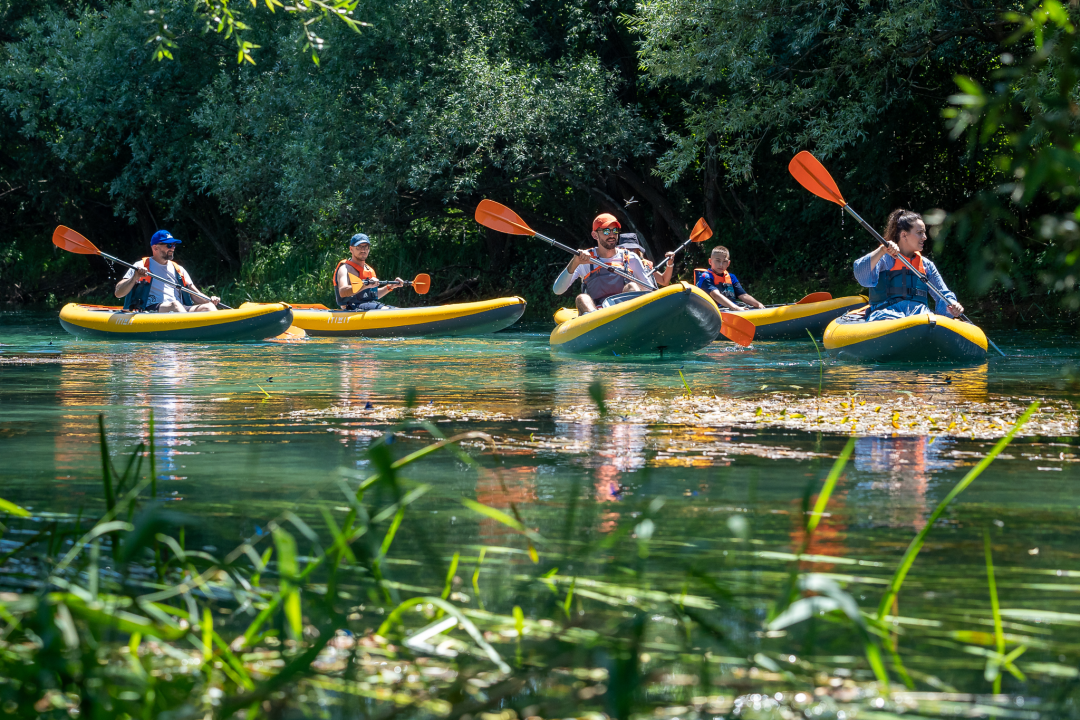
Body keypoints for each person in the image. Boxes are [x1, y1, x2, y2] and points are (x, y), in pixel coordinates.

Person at [854, 209, 964, 322]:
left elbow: (943, 294)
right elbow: (861, 275)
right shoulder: (884, 259)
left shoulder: (927, 266)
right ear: (904, 235)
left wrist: (952, 305)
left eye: (924, 232)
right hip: (886, 314)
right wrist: (882, 250)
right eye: (920, 232)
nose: (925, 237)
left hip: (920, 315)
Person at [552, 214, 654, 314]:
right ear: (594, 235)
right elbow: (557, 290)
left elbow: (649, 290)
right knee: (582, 298)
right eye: (606, 231)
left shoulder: (631, 258)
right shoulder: (584, 259)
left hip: (625, 313)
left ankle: (635, 319)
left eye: (615, 230)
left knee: (632, 286)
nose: (611, 235)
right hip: (597, 315)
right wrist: (574, 263)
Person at [114, 230, 220, 312]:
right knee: (175, 305)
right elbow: (118, 293)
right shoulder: (140, 265)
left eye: (174, 245)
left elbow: (194, 294)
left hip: (179, 310)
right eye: (169, 245)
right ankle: (189, 333)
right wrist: (135, 277)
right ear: (155, 248)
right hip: (151, 309)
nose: (173, 248)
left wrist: (211, 300)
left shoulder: (178, 269)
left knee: (208, 307)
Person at [333, 233, 404, 311]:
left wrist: (390, 287)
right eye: (359, 247)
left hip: (369, 305)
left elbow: (373, 295)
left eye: (366, 247)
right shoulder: (345, 269)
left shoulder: (369, 270)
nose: (363, 250)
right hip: (352, 307)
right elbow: (343, 292)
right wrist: (365, 285)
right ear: (351, 249)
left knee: (397, 309)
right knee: (387, 310)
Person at [696, 245, 764, 311]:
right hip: (714, 312)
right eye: (718, 260)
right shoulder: (706, 276)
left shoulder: (731, 277)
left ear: (728, 263)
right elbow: (715, 295)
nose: (721, 265)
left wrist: (758, 304)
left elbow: (743, 295)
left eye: (724, 261)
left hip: (731, 310)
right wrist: (736, 308)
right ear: (710, 261)